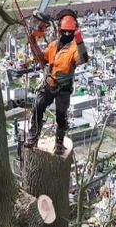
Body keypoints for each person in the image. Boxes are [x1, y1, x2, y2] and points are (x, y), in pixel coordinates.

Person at [25, 11, 89, 154]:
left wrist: (80, 42)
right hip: (49, 84)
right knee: (37, 108)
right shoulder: (54, 45)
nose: (66, 34)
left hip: (63, 88)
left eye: (69, 32)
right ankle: (33, 137)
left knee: (61, 116)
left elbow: (82, 59)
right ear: (60, 29)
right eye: (64, 31)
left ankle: (59, 143)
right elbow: (43, 59)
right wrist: (32, 42)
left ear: (74, 31)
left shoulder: (74, 49)